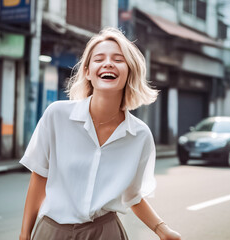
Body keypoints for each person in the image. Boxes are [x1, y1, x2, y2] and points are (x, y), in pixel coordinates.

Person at [19, 28, 181, 240]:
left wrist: (163, 230)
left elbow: (132, 195)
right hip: (52, 231)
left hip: (106, 233)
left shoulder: (139, 135)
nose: (108, 63)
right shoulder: (56, 115)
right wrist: (24, 235)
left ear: (129, 71)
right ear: (87, 71)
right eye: (99, 59)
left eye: (118, 59)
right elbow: (38, 178)